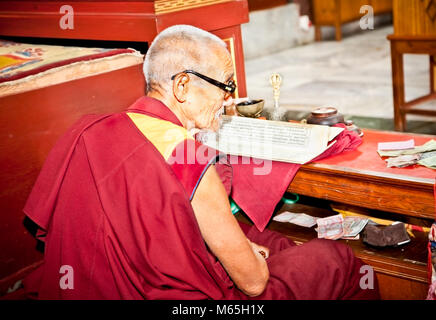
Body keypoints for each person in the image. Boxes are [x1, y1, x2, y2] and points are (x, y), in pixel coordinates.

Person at [23, 25, 380, 300]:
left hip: (91, 286)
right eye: (225, 85)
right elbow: (254, 284)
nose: (230, 99)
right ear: (181, 86)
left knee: (268, 238)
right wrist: (250, 261)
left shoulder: (88, 130)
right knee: (337, 259)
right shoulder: (187, 157)